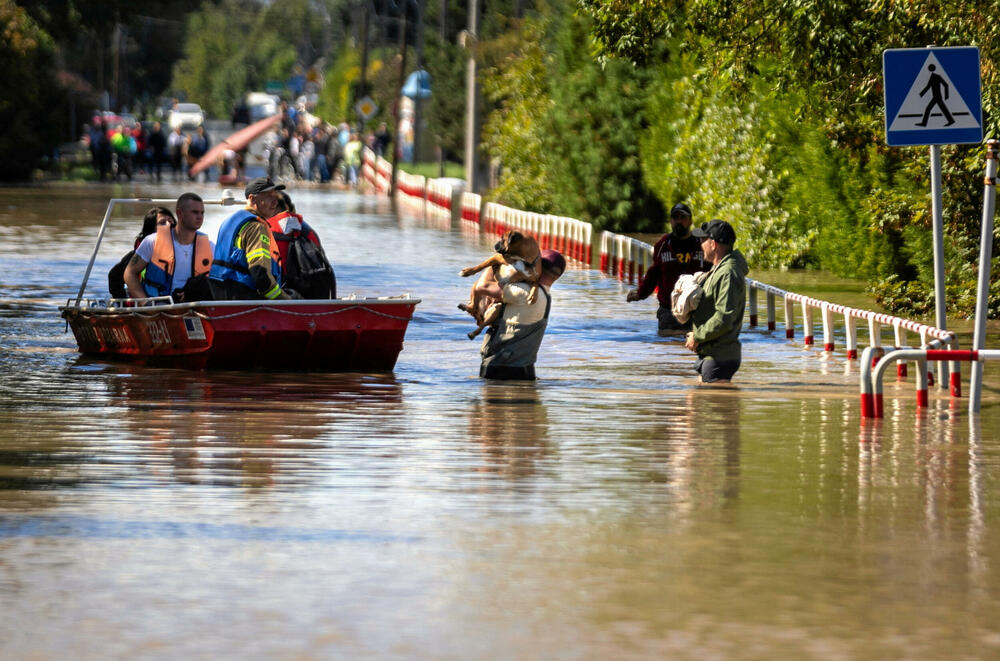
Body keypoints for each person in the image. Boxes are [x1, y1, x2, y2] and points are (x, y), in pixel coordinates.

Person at [478, 249, 566, 380]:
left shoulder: (524, 293)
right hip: (524, 371)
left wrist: (496, 261)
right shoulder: (544, 296)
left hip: (501, 370)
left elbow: (482, 286)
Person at [684, 219, 749, 384]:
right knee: (699, 404)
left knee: (716, 407)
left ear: (713, 244)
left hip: (720, 357)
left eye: (703, 240)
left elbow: (724, 317)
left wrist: (697, 336)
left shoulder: (728, 272)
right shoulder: (720, 268)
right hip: (711, 353)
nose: (700, 244)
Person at [626, 202, 707, 335]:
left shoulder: (702, 244)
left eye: (683, 218)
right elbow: (653, 274)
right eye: (675, 218)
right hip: (668, 311)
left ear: (690, 221)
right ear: (670, 221)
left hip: (696, 309)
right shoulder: (662, 245)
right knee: (667, 346)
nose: (679, 221)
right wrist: (640, 294)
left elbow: (713, 272)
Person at [208, 177, 290, 301]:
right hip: (243, 299)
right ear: (252, 199)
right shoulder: (256, 227)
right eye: (269, 197)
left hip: (218, 293)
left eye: (275, 196)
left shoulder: (229, 222)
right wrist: (286, 301)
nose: (275, 202)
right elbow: (260, 275)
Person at [123, 194, 214, 303]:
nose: (200, 217)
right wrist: (145, 303)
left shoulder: (210, 247)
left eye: (202, 213)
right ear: (179, 213)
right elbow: (129, 273)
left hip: (194, 308)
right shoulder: (152, 242)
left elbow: (218, 281)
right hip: (158, 308)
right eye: (194, 212)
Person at [266, 191, 337, 298]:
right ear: (291, 208)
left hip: (282, 296)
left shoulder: (265, 229)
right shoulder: (309, 231)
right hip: (315, 296)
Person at [108, 207, 176, 299]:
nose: (169, 225)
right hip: (147, 304)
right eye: (162, 223)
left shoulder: (185, 250)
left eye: (171, 221)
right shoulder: (137, 255)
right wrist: (122, 302)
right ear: (151, 230)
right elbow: (114, 277)